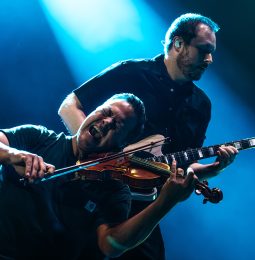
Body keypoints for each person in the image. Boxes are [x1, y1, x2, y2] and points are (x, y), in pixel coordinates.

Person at [58, 13, 238, 259]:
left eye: (212, 51)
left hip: (141, 202)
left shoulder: (201, 106)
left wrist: (213, 168)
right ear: (178, 44)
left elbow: (181, 165)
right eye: (204, 50)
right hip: (93, 189)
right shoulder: (131, 72)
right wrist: (97, 155)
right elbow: (69, 105)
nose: (209, 59)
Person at [0, 93, 199, 259]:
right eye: (105, 112)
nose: (106, 123)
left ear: (122, 145)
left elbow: (111, 245)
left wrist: (165, 202)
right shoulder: (40, 138)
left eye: (117, 126)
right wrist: (14, 155)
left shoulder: (114, 189)